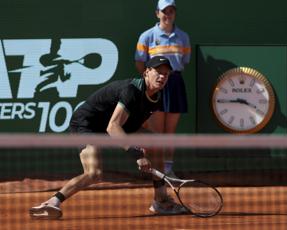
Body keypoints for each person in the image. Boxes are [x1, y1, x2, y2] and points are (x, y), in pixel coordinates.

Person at [29, 56, 187, 219]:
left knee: (156, 144)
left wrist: (148, 148)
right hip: (87, 125)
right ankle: (51, 202)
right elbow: (113, 127)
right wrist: (137, 154)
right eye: (158, 72)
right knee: (94, 173)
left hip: (116, 125)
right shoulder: (131, 91)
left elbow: (137, 126)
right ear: (146, 72)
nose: (162, 77)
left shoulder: (156, 99)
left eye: (166, 74)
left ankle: (160, 201)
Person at [135, 0, 191, 176]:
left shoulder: (183, 37)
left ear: (175, 13)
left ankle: (167, 169)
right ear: (157, 13)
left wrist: (168, 76)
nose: (168, 15)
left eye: (171, 11)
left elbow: (184, 62)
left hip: (174, 84)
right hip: (154, 85)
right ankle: (151, 169)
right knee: (155, 132)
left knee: (170, 132)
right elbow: (139, 62)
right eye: (164, 11)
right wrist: (151, 80)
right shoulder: (147, 36)